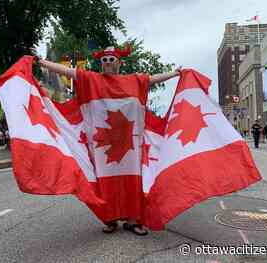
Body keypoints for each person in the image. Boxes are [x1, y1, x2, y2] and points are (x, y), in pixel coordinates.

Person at [35, 44, 181, 236]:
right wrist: (42, 62)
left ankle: (133, 220)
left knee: (132, 182)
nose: (107, 64)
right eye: (104, 61)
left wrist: (175, 73)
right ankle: (110, 218)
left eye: (111, 60)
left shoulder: (133, 81)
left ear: (119, 63)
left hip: (130, 146)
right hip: (103, 146)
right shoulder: (92, 79)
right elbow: (68, 72)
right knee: (106, 182)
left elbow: (152, 79)